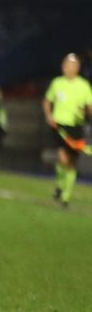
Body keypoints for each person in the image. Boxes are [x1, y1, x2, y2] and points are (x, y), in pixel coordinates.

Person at [44, 54, 92, 209]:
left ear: (76, 68)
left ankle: (65, 195)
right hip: (59, 126)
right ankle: (61, 187)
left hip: (76, 127)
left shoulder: (84, 86)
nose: (66, 67)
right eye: (65, 64)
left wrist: (85, 112)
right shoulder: (57, 83)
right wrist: (49, 115)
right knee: (63, 158)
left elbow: (89, 107)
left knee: (71, 162)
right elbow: (47, 100)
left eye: (70, 65)